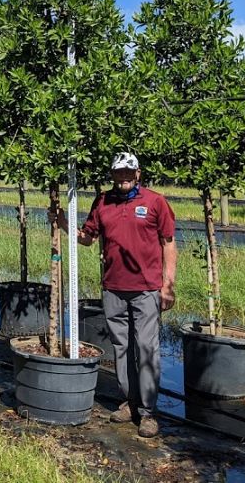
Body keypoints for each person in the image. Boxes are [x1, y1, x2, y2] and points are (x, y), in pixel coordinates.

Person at [74, 152, 177, 438]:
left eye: (128, 173)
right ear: (112, 174)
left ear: (138, 174)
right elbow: (88, 238)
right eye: (118, 173)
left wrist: (168, 285)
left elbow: (168, 244)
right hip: (113, 287)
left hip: (146, 288)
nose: (123, 178)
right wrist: (63, 222)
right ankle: (129, 403)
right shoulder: (103, 202)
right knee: (121, 347)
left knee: (146, 348)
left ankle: (148, 413)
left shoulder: (155, 202)